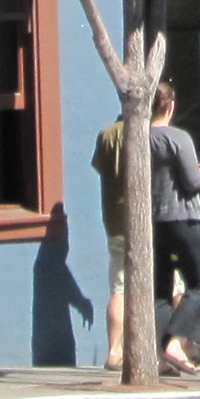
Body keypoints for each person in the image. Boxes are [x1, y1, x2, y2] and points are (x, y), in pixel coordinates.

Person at [148, 85, 200, 376]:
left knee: (161, 290)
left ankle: (158, 355)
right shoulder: (177, 137)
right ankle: (178, 343)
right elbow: (192, 181)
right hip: (182, 217)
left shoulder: (139, 137)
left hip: (153, 221)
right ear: (170, 106)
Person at [91, 107, 133, 370]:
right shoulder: (144, 133)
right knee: (174, 283)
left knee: (119, 288)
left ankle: (114, 349)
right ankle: (178, 345)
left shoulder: (105, 135)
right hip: (141, 222)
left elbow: (99, 167)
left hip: (114, 219)